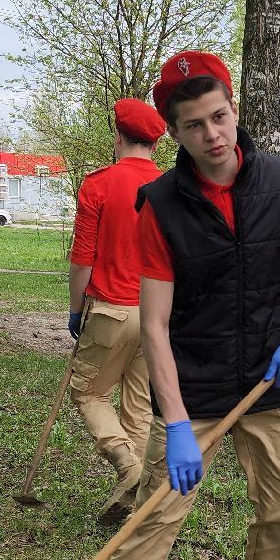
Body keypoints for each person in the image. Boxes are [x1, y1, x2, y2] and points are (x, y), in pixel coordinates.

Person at [71, 51, 280, 560]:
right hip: (198, 385)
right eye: (194, 125)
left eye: (219, 117)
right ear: (176, 133)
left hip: (275, 383)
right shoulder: (157, 205)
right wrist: (180, 424)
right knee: (154, 518)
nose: (212, 134)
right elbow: (154, 328)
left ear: (235, 110)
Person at [67, 99, 167, 525]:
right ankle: (141, 502)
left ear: (119, 137)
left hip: (110, 310)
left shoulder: (99, 184)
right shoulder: (171, 187)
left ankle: (128, 467)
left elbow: (82, 259)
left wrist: (75, 311)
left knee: (87, 392)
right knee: (139, 406)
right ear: (155, 144)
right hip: (157, 316)